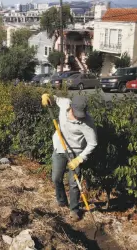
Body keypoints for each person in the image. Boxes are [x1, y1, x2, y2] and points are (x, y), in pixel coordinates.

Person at [41, 93, 97, 221]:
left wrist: (80, 159)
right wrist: (47, 96)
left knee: (74, 183)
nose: (78, 116)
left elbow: (93, 143)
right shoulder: (65, 103)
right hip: (60, 147)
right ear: (71, 106)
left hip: (76, 152)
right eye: (76, 112)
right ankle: (61, 201)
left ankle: (74, 209)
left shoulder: (87, 123)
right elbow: (54, 98)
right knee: (56, 178)